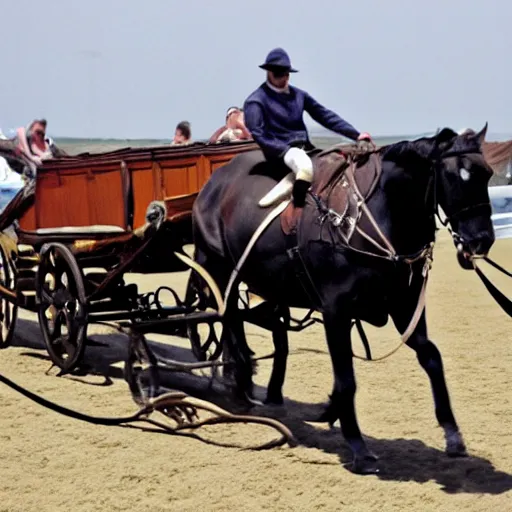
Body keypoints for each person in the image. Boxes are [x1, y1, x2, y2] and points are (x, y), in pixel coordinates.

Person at [243, 48, 372, 206]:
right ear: (268, 72)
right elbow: (259, 135)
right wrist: (284, 150)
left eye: (284, 72)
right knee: (304, 167)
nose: (282, 76)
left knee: (338, 161)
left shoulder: (299, 96)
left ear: (288, 73)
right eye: (277, 72)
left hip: (306, 148)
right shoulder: (256, 101)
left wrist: (356, 135)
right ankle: (297, 207)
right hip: (280, 153)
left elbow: (325, 116)